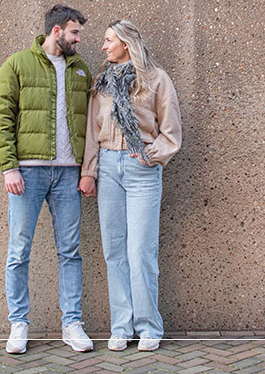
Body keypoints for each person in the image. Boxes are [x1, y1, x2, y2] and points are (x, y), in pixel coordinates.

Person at [0, 4, 95, 355]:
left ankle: (72, 324)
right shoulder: (18, 64)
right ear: (57, 31)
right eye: (75, 33)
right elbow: (1, 116)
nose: (78, 40)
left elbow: (91, 124)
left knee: (70, 251)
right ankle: (19, 323)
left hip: (68, 175)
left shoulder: (81, 70)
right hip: (28, 173)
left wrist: (87, 170)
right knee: (19, 250)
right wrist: (9, 167)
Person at [79, 19, 182, 352]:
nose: (103, 46)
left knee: (141, 252)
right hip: (108, 166)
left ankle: (149, 326)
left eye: (109, 40)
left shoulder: (156, 79)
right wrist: (89, 171)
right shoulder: (102, 83)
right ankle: (121, 327)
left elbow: (171, 131)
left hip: (142, 171)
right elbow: (92, 133)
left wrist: (151, 155)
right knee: (114, 251)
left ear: (126, 43)